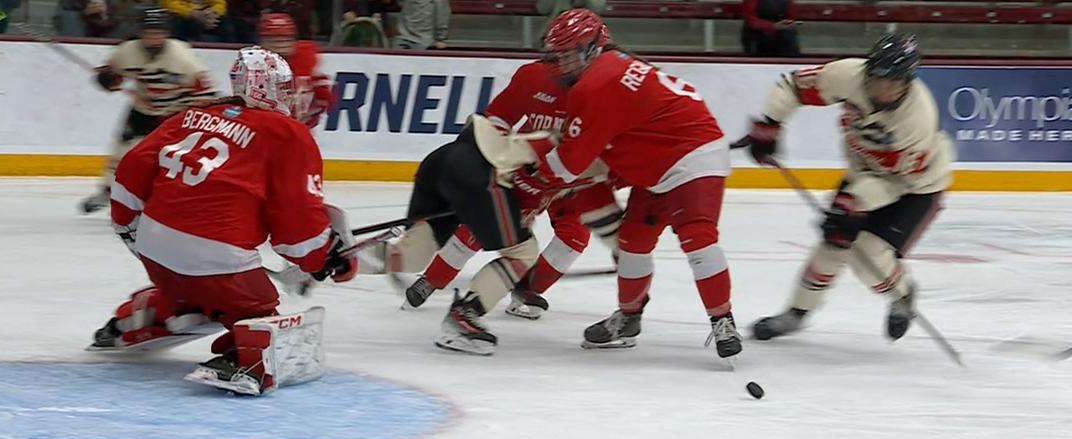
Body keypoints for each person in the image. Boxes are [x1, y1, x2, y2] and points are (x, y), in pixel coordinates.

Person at [89, 47, 355, 396]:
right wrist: (322, 257)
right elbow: (296, 223)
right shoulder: (288, 134)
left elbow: (131, 169)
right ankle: (245, 356)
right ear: (267, 88)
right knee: (256, 303)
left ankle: (141, 318)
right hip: (216, 256)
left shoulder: (190, 115)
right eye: (284, 87)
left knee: (192, 291)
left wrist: (129, 224)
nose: (290, 96)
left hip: (153, 246)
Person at [523, 9, 741, 359]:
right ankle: (628, 316)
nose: (559, 64)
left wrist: (526, 177)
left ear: (591, 48)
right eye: (556, 56)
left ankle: (722, 321)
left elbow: (568, 165)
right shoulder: (610, 67)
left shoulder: (596, 84)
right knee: (633, 242)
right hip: (657, 160)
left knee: (697, 238)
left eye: (565, 55)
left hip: (692, 155)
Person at [743, 32, 953, 342]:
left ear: (908, 82)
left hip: (915, 187)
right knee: (833, 242)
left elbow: (898, 181)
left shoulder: (917, 119)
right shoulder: (846, 75)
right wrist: (771, 123)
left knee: (868, 255)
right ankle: (797, 313)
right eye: (878, 76)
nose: (884, 87)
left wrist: (854, 203)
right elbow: (793, 86)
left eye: (895, 81)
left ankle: (903, 295)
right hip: (865, 174)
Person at [397, 59, 623, 320]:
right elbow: (498, 117)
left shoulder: (607, 92)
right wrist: (477, 164)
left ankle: (527, 290)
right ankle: (432, 279)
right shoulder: (536, 75)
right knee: (485, 225)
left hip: (575, 178)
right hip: (529, 169)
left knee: (573, 237)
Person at [81, 8, 216, 215]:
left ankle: (173, 198)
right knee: (124, 150)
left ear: (167, 34)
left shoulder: (183, 58)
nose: (153, 37)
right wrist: (107, 79)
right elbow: (112, 75)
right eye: (149, 32)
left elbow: (208, 93)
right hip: (143, 109)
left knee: (174, 157)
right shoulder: (128, 51)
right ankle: (107, 190)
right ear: (141, 33)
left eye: (158, 32)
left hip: (175, 112)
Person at [258, 12, 335, 128]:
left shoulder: (306, 63)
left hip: (298, 131)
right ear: (263, 42)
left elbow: (327, 101)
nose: (281, 45)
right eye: (275, 40)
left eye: (285, 39)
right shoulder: (254, 67)